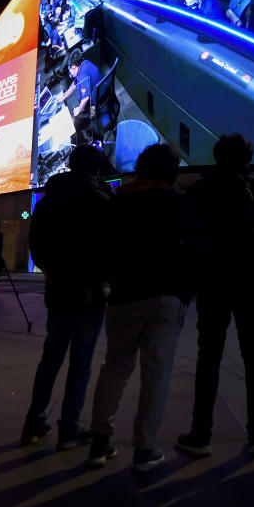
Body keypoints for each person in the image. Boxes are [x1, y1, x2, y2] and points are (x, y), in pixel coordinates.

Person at [87, 144, 201, 472]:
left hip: (125, 295)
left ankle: (99, 441)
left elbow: (103, 248)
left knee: (115, 367)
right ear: (171, 172)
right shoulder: (179, 203)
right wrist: (185, 292)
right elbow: (196, 252)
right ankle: (145, 448)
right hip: (166, 296)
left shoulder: (119, 201)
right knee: (157, 374)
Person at [177, 134, 254, 458]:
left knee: (208, 357)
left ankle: (201, 434)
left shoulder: (199, 190)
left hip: (213, 284)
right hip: (251, 285)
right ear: (248, 158)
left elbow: (188, 241)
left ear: (217, 155)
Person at [21, 146, 113, 450]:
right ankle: (69, 429)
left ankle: (33, 422)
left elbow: (36, 245)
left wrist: (54, 275)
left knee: (51, 357)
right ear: (97, 169)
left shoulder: (49, 200)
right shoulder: (102, 201)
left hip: (58, 291)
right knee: (80, 362)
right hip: (90, 294)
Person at [60, 52, 101, 145]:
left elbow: (86, 98)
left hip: (96, 105)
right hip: (101, 95)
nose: (69, 72)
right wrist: (63, 97)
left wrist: (79, 110)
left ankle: (83, 143)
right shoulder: (84, 63)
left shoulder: (82, 75)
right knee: (78, 109)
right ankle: (88, 131)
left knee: (75, 120)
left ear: (73, 67)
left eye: (69, 69)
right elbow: (75, 84)